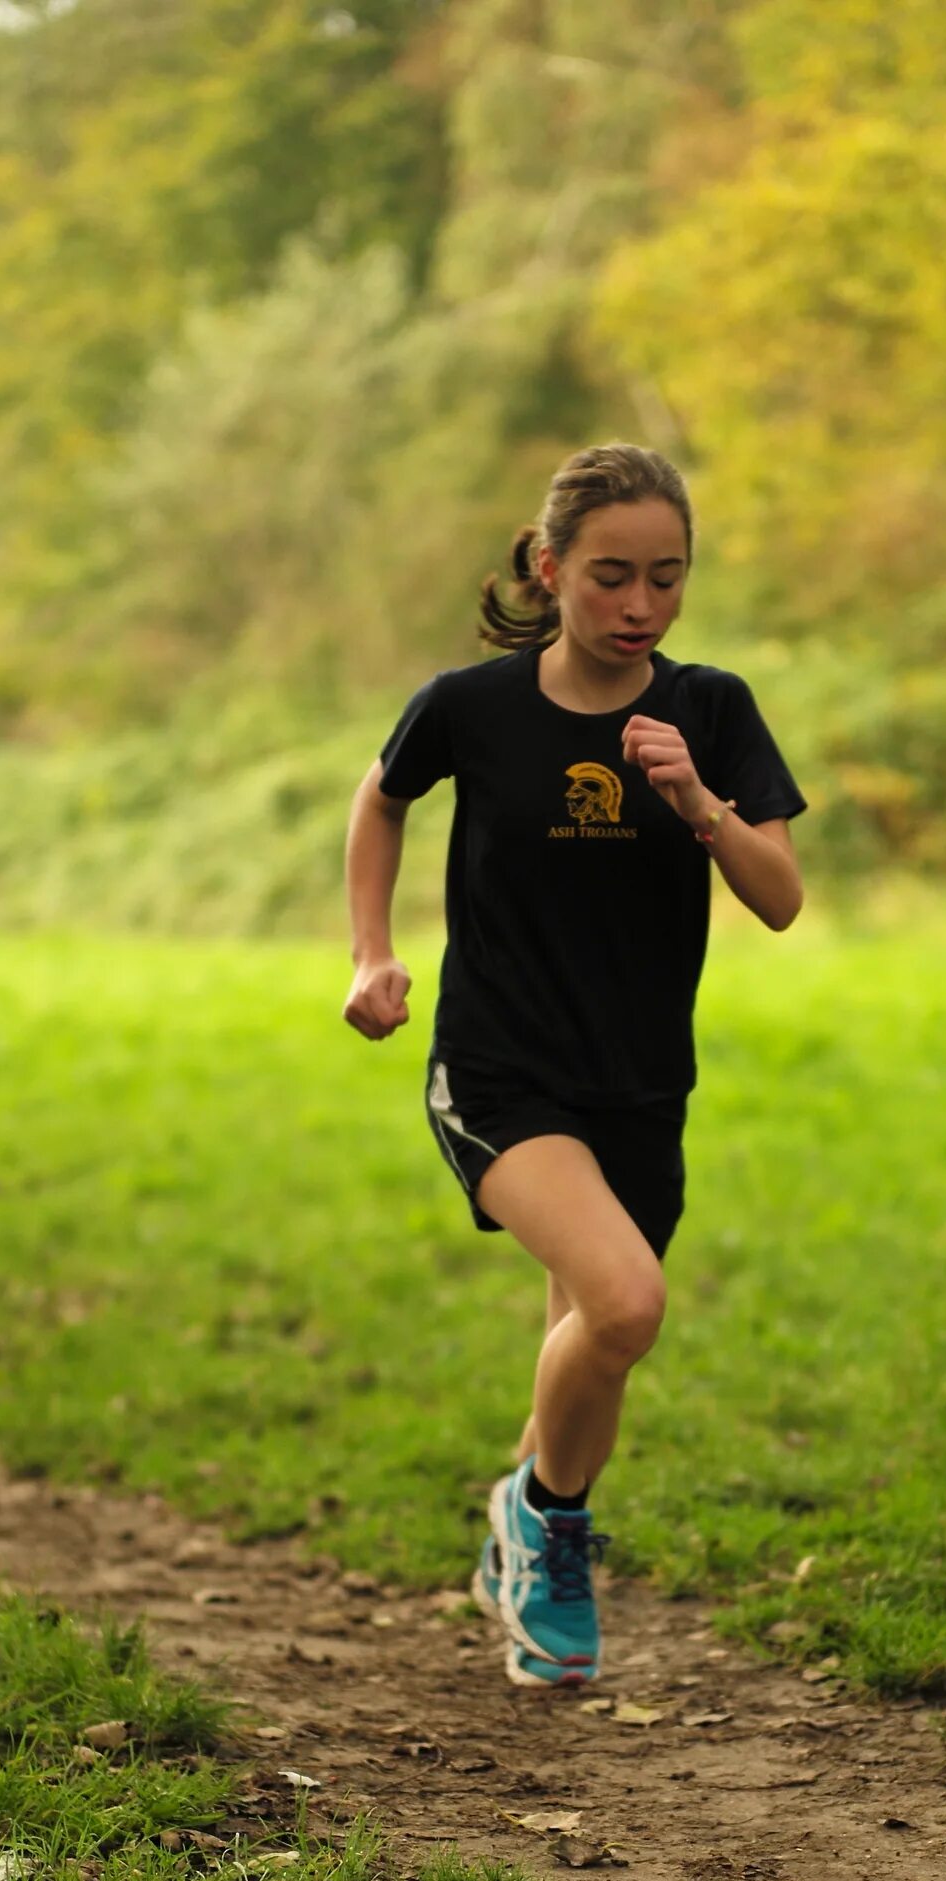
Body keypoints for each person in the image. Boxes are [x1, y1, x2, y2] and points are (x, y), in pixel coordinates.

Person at [340, 443, 806, 1688]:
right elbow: (381, 798)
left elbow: (781, 899)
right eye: (610, 575)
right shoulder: (472, 706)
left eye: (666, 576)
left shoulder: (713, 711)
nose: (639, 604)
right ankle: (547, 1524)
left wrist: (699, 801)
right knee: (627, 1302)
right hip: (500, 1068)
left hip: (642, 1080)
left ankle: (523, 1522)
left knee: (589, 1342)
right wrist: (372, 953)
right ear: (549, 570)